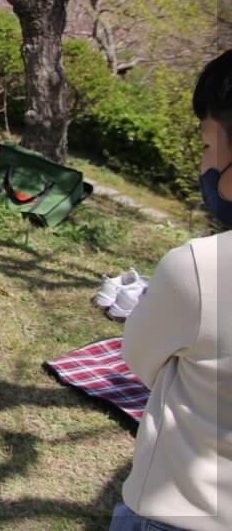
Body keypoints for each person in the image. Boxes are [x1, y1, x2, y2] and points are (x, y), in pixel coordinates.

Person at [110, 51, 231, 531]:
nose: (203, 162)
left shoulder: (199, 268)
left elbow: (141, 362)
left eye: (206, 145)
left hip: (177, 509)